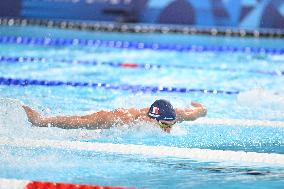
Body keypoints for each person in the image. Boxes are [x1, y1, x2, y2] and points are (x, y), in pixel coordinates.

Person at [22, 99, 207, 133]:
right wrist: (41, 121)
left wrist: (201, 108)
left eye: (171, 125)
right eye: (165, 126)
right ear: (151, 119)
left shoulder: (174, 116)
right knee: (86, 128)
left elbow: (198, 112)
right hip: (103, 130)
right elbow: (79, 121)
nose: (169, 129)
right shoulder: (123, 119)